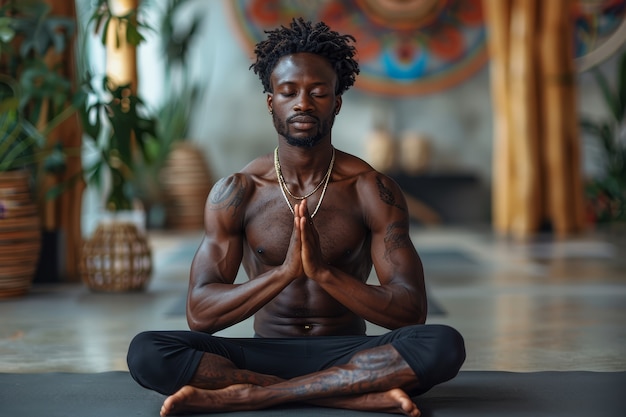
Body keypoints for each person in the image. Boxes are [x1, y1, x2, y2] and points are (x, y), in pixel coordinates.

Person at [127, 17, 465, 417]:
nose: (303, 103)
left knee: (443, 344)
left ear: (336, 102)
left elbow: (411, 311)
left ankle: (255, 395)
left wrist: (324, 273)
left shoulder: (371, 189)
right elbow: (200, 314)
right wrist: (284, 273)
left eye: (318, 92)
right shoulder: (238, 191)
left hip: (347, 349)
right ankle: (346, 391)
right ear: (272, 102)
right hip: (264, 352)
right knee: (147, 351)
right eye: (288, 92)